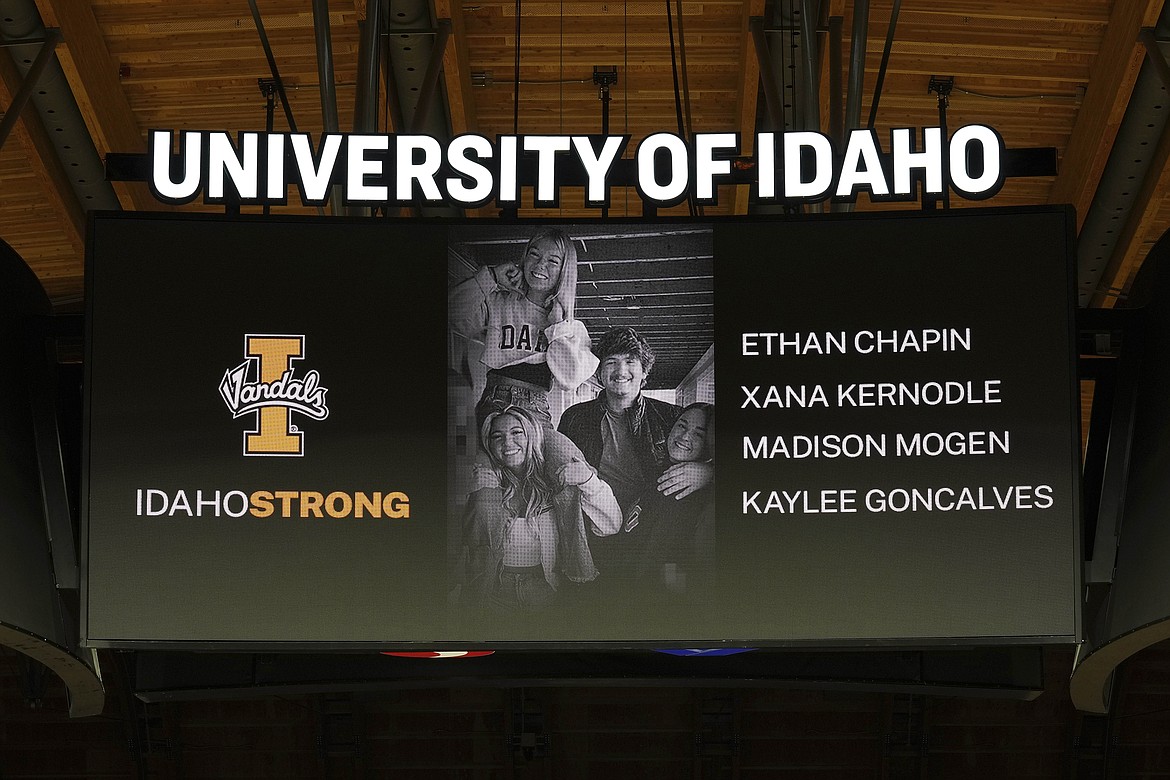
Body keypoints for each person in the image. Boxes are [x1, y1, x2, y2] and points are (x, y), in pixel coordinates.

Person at [557, 326, 713, 583]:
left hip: (646, 530)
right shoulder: (574, 417)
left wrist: (708, 471)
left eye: (630, 362)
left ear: (644, 374)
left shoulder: (672, 416)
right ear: (599, 372)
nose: (620, 371)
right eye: (611, 362)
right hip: (591, 530)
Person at [463, 406, 621, 613]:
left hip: (545, 589)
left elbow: (612, 525)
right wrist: (463, 492)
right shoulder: (483, 484)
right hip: (495, 590)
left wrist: (589, 481)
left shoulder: (555, 480)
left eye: (516, 432)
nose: (507, 443)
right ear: (489, 444)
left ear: (532, 435)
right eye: (497, 436)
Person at [449, 228, 597, 430]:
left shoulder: (570, 326)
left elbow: (570, 379)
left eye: (553, 261)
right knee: (475, 462)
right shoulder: (498, 302)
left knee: (569, 460)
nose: (540, 265)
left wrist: (557, 327)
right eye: (534, 254)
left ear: (565, 270)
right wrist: (491, 277)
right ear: (525, 258)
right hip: (494, 404)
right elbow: (452, 314)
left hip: (537, 411)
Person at [626, 403, 715, 599]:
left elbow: (655, 566)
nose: (685, 437)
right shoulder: (659, 469)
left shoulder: (686, 494)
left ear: (709, 443)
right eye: (682, 425)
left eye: (699, 434)